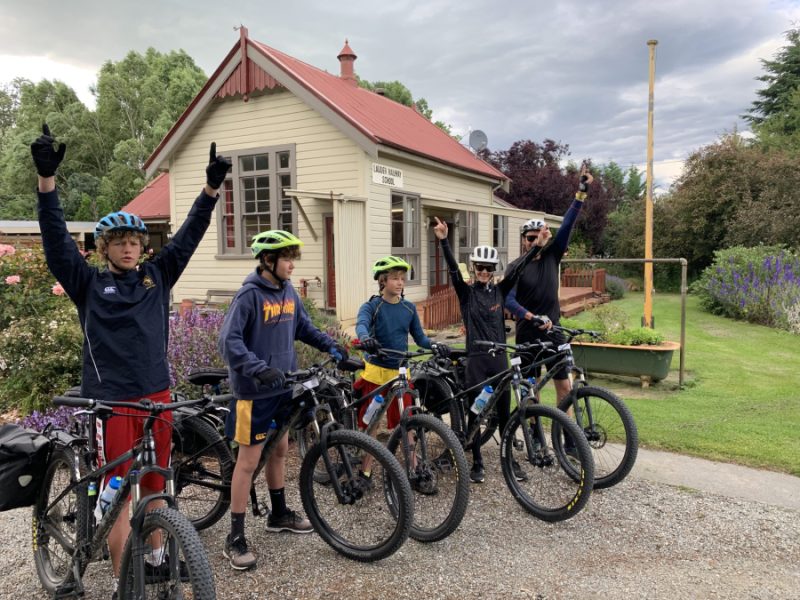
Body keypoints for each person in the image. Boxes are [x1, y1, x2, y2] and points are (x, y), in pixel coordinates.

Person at [30, 124, 231, 594]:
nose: (127, 246)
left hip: (157, 397)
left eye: (134, 241)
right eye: (118, 241)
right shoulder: (87, 283)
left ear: (143, 247)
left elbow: (189, 235)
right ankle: (126, 583)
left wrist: (210, 188)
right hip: (111, 402)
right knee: (118, 494)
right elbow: (56, 241)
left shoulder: (157, 277)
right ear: (105, 248)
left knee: (158, 484)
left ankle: (157, 559)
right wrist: (46, 183)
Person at [219, 229, 348, 571]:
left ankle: (278, 515)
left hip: (282, 388)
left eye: (294, 257)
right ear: (268, 260)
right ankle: (234, 537)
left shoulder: (288, 291)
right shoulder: (249, 295)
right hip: (253, 394)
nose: (292, 264)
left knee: (278, 450)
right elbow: (228, 342)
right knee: (248, 462)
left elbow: (303, 328)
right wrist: (256, 369)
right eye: (287, 258)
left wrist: (332, 346)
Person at [432, 218, 546, 483]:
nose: (484, 272)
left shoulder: (500, 290)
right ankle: (478, 461)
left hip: (499, 362)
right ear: (474, 268)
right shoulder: (466, 293)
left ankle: (511, 461)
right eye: (480, 267)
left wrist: (535, 248)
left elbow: (519, 269)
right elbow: (451, 269)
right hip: (476, 362)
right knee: (476, 414)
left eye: (488, 268)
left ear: (494, 270)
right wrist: (444, 240)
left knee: (506, 415)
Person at [353, 256, 449, 491]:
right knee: (372, 424)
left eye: (402, 278)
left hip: (400, 374)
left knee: (408, 424)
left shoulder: (408, 308)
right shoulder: (372, 307)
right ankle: (365, 472)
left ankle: (415, 470)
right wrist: (366, 339)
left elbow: (420, 337)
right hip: (375, 374)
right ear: (383, 281)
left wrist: (434, 345)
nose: (400, 282)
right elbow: (361, 324)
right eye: (395, 278)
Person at [505, 166, 594, 406]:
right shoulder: (515, 266)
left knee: (565, 387)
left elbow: (567, 225)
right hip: (527, 334)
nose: (535, 240)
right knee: (530, 390)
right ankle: (534, 434)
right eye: (530, 237)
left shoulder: (552, 256)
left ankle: (565, 437)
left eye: (538, 236)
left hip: (554, 331)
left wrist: (581, 193)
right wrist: (530, 316)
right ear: (523, 240)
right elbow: (509, 300)